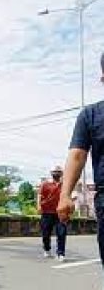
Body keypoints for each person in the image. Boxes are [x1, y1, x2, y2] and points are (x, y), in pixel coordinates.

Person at [57, 52, 104, 270]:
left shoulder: (90, 115)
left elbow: (78, 155)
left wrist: (65, 195)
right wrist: (65, 195)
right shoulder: (91, 115)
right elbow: (77, 155)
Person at [37, 165, 67, 261]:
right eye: (55, 172)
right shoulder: (45, 184)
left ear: (61, 173)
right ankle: (47, 249)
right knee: (46, 234)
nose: (56, 173)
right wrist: (38, 206)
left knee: (61, 233)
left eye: (58, 172)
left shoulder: (65, 185)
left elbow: (69, 195)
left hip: (60, 212)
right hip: (46, 212)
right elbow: (40, 195)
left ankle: (61, 253)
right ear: (51, 173)